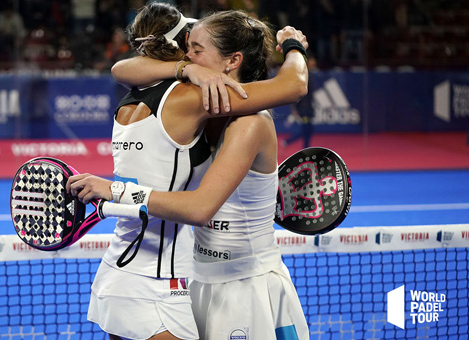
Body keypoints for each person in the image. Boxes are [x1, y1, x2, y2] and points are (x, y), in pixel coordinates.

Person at [68, 3, 308, 340]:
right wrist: (185, 69)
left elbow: (295, 85)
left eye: (198, 50)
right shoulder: (194, 99)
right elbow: (122, 67)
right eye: (188, 49)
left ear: (232, 60)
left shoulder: (243, 120)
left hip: (238, 288)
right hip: (177, 283)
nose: (192, 58)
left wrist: (293, 43)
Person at [282, 56, 317, 149]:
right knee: (306, 130)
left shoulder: (310, 75)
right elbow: (297, 92)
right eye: (312, 62)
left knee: (308, 130)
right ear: (307, 62)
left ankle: (290, 142)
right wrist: (295, 108)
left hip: (309, 109)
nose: (313, 64)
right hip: (304, 110)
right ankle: (302, 147)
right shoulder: (302, 75)